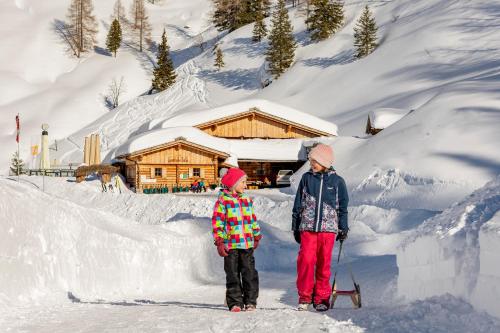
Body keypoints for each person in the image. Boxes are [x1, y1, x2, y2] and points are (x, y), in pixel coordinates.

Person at [291, 144, 349, 312]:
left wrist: (343, 228)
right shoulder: (306, 178)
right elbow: (298, 204)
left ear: (324, 161)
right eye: (310, 160)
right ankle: (305, 296)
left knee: (324, 264)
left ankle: (322, 298)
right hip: (308, 228)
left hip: (328, 230)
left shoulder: (338, 182)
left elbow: (342, 208)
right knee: (306, 261)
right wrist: (296, 226)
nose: (311, 164)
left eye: (314, 161)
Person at [212, 168, 262, 312]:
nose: (245, 185)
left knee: (249, 273)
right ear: (233, 183)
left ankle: (250, 301)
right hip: (230, 245)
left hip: (246, 243)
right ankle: (235, 302)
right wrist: (220, 241)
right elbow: (217, 223)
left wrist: (256, 234)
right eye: (243, 182)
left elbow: (252, 219)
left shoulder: (247, 200)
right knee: (232, 274)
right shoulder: (223, 202)